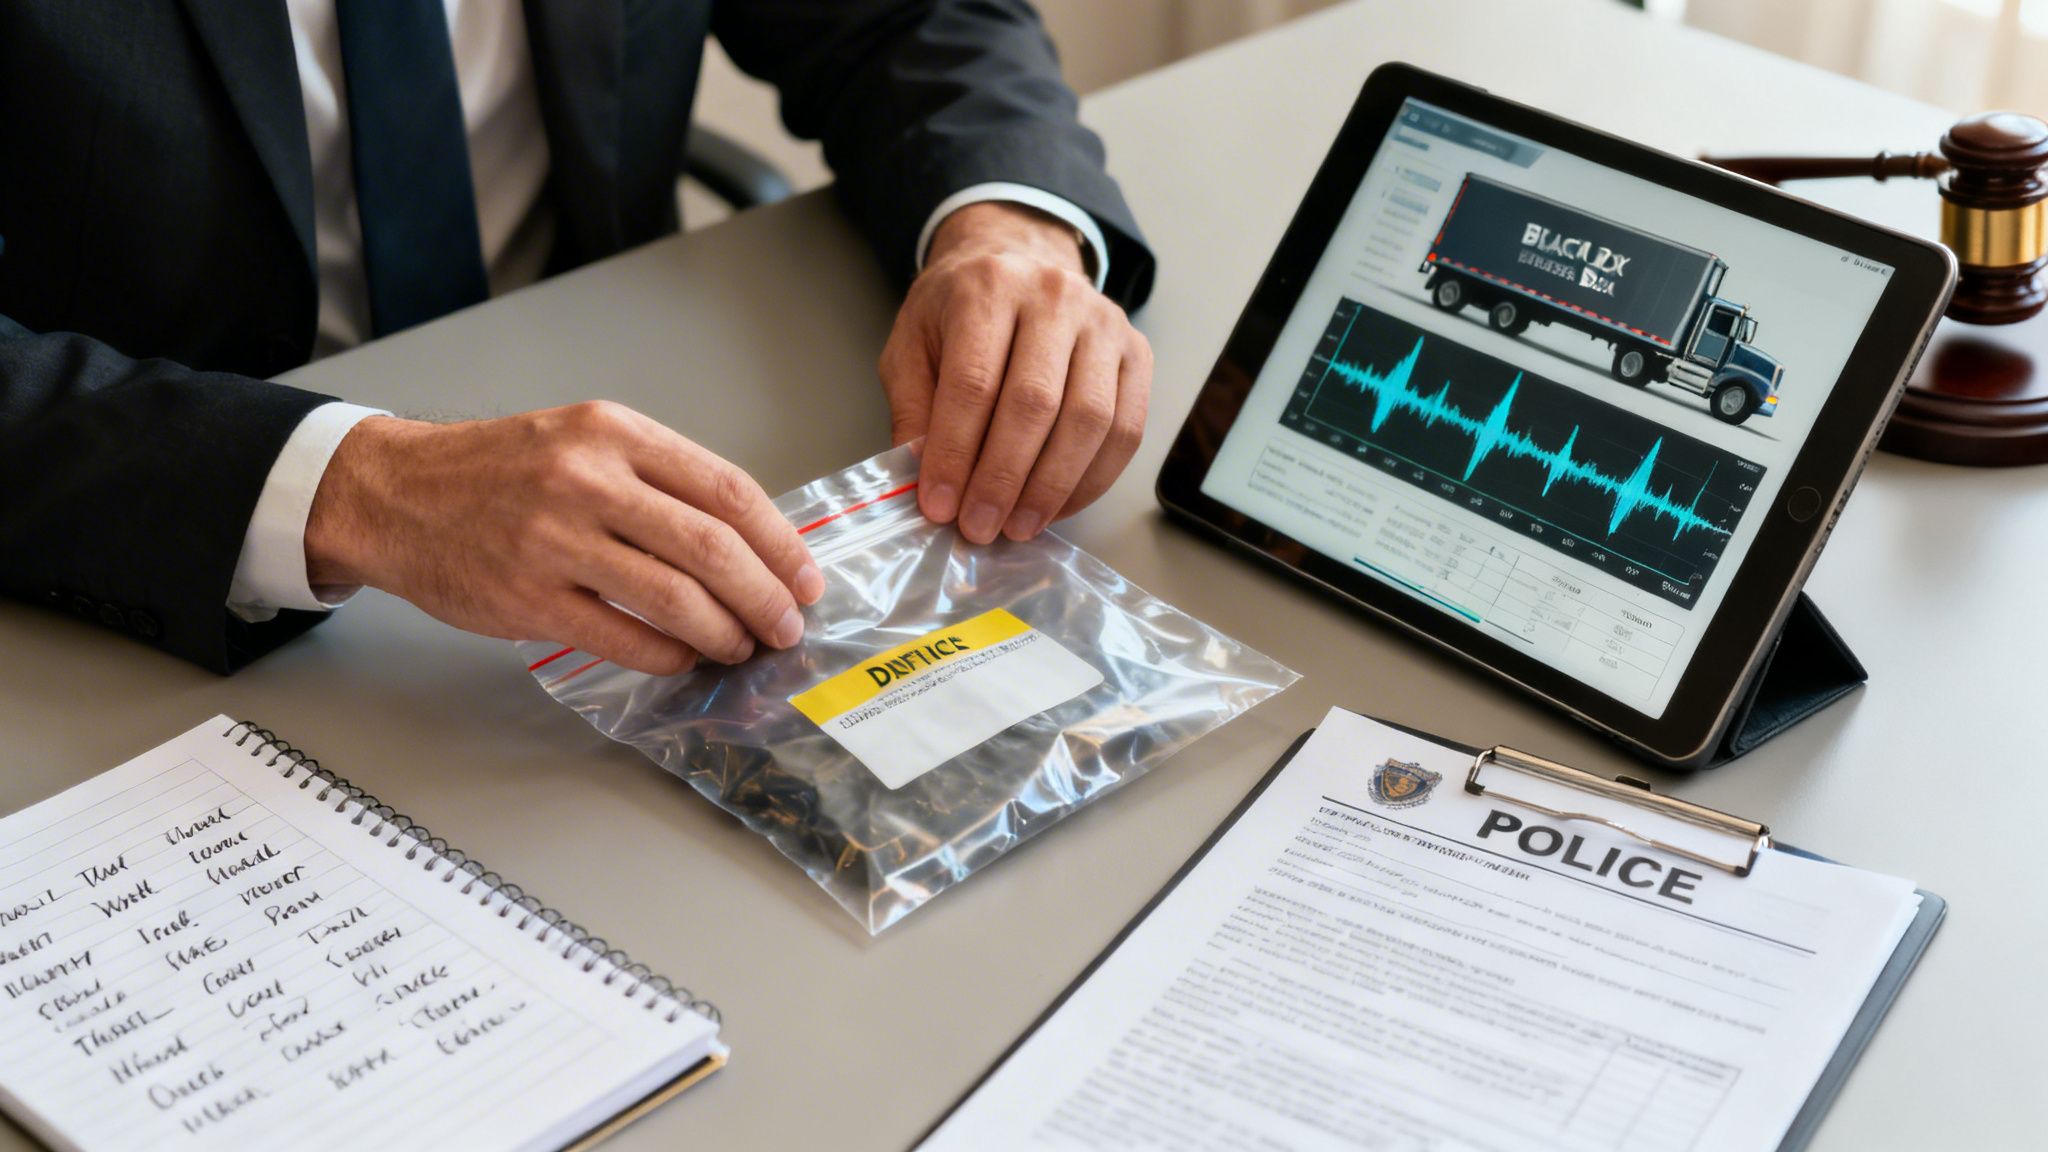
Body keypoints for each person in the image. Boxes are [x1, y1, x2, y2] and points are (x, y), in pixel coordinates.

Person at [0, 0, 1156, 678]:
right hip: (152, 544)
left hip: (632, 423)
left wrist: (1006, 227)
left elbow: (908, 16)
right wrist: (351, 487)